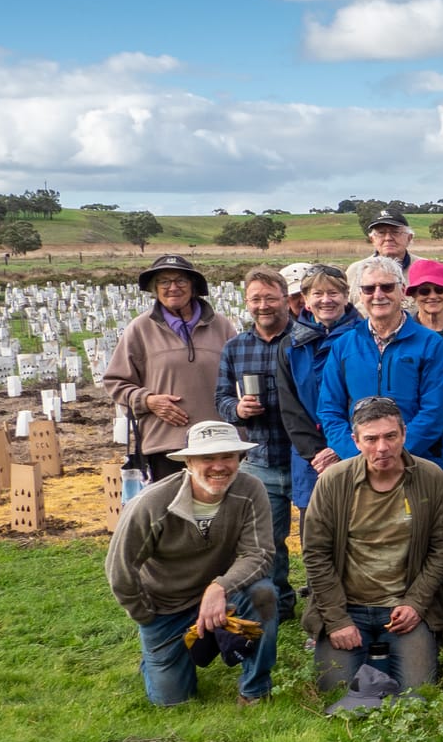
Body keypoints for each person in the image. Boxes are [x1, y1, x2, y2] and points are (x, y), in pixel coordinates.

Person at [105, 421, 278, 707]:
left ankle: (254, 689)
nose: (219, 466)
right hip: (167, 607)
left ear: (240, 458)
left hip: (225, 598)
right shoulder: (150, 504)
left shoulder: (251, 490)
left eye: (228, 456)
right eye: (207, 457)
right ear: (188, 461)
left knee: (263, 593)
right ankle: (158, 657)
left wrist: (219, 587)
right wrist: (147, 616)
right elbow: (120, 571)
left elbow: (258, 554)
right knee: (173, 701)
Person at [304, 396, 443, 693]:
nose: (382, 447)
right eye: (371, 439)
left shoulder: (432, 478)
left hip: (403, 607)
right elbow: (315, 554)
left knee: (419, 691)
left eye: (390, 436)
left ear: (404, 434)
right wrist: (336, 621)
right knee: (336, 692)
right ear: (356, 441)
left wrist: (416, 603)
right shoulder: (334, 481)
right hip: (349, 606)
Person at [104, 253, 239, 479]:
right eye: (164, 281)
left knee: (223, 511)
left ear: (193, 286)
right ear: (155, 289)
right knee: (171, 510)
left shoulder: (222, 326)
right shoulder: (139, 329)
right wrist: (148, 401)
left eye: (180, 280)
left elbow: (242, 377)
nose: (172, 287)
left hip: (220, 441)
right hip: (166, 444)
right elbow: (115, 382)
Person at [215, 267, 296, 617]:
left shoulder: (304, 340)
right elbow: (220, 398)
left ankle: (324, 604)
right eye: (256, 299)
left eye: (270, 297)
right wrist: (238, 409)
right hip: (262, 458)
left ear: (285, 299)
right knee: (268, 541)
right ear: (247, 302)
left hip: (305, 457)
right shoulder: (235, 348)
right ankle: (279, 602)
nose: (263, 305)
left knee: (320, 539)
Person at [318, 256, 443, 467]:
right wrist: (358, 456)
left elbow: (434, 412)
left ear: (402, 290)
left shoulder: (429, 343)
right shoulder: (343, 345)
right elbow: (329, 409)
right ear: (360, 294)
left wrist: (391, 456)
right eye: (369, 289)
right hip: (360, 465)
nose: (378, 295)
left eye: (387, 287)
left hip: (417, 463)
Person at [276, 264, 357, 516]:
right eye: (317, 294)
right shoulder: (290, 345)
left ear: (346, 296)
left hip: (357, 451)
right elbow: (290, 406)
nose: (326, 300)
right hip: (311, 460)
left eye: (333, 293)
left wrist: (342, 448)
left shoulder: (365, 337)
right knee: (316, 537)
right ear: (306, 300)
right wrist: (318, 452)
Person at [360, 207, 420, 273]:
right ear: (372, 239)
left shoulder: (425, 269)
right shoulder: (357, 270)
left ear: (409, 238)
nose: (388, 238)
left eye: (395, 232)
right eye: (381, 233)